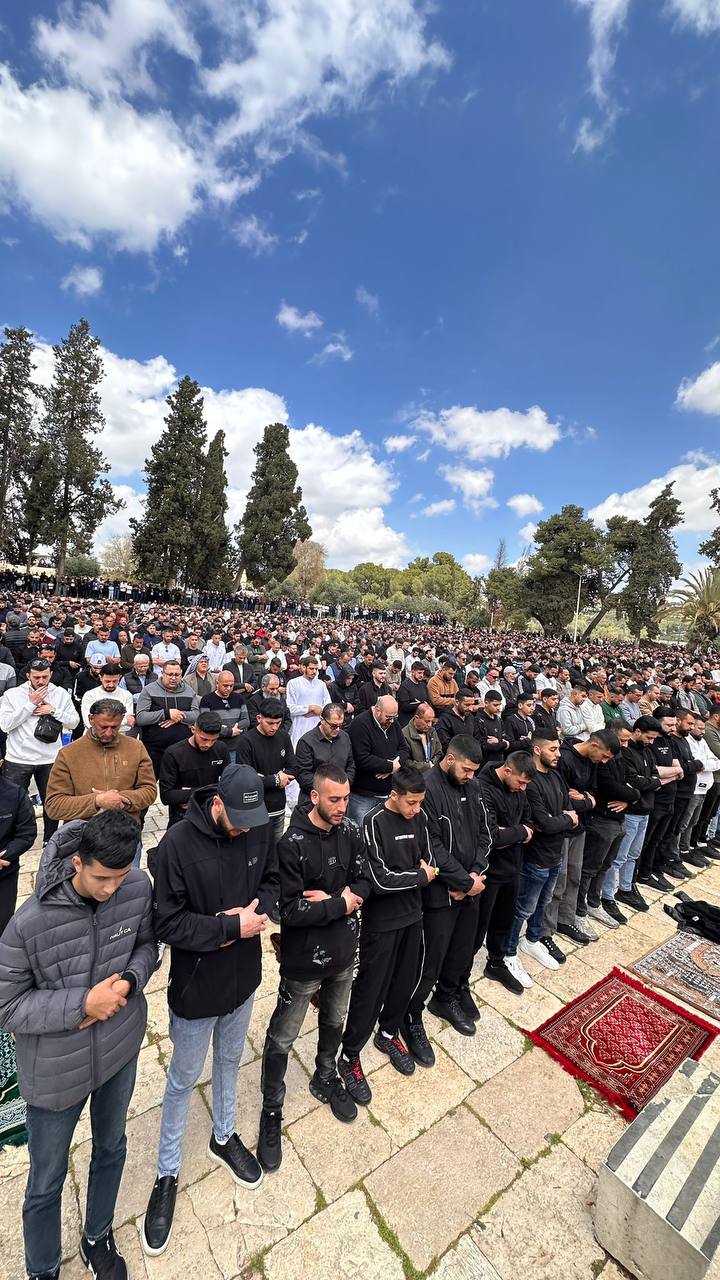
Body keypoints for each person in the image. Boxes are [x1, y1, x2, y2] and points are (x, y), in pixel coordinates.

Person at [0, 810, 156, 1280]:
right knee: (46, 1181)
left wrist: (130, 981)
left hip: (119, 1051)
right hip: (54, 1072)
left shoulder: (137, 888)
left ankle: (97, 1236)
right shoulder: (28, 924)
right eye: (101, 878)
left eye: (120, 877)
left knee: (111, 1148)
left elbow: (147, 946)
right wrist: (81, 1004)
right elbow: (7, 1007)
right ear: (76, 863)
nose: (111, 889)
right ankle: (42, 1267)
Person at [142, 766, 279, 1257]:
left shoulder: (258, 826)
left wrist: (260, 909)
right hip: (197, 986)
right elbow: (167, 923)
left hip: (243, 978)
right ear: (217, 804)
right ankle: (167, 1171)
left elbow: (272, 879)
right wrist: (228, 927)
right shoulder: (176, 845)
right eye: (237, 821)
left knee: (229, 1061)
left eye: (250, 824)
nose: (244, 831)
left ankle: (223, 1135)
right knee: (182, 1079)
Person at [258, 765, 368, 1169]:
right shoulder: (292, 844)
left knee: (334, 1019)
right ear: (315, 797)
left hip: (344, 951)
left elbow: (365, 881)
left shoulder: (350, 832)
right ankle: (272, 1107)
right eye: (334, 799)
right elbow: (289, 910)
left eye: (346, 798)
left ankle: (325, 1076)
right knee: (283, 1035)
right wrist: (341, 903)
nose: (342, 806)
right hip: (304, 960)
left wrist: (335, 900)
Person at [339, 765, 436, 1098]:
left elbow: (430, 860)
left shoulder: (420, 818)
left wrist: (416, 874)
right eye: (411, 802)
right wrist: (419, 876)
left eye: (420, 802)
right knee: (371, 988)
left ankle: (389, 1034)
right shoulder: (373, 821)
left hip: (413, 915)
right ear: (394, 795)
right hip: (381, 922)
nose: (417, 809)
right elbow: (380, 880)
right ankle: (350, 1054)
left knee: (405, 981)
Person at [404, 735, 490, 1042]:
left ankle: (447, 997)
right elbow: (431, 847)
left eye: (474, 771)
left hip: (470, 888)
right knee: (430, 960)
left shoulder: (474, 787)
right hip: (440, 894)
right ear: (450, 759)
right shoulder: (427, 788)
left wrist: (474, 876)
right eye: (466, 770)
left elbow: (485, 834)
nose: (470, 776)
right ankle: (410, 1014)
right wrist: (464, 882)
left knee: (462, 950)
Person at [503, 730, 581, 989]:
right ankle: (508, 952)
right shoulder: (530, 781)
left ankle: (532, 940)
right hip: (535, 857)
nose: (558, 754)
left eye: (558, 749)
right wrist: (565, 819)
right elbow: (544, 823)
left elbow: (567, 809)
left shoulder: (556, 775)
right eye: (553, 749)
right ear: (537, 750)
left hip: (555, 853)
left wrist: (563, 818)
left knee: (544, 902)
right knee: (523, 907)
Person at [45, 697, 157, 849]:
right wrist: (97, 801)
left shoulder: (136, 747)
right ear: (91, 719)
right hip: (83, 840)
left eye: (115, 727)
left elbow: (150, 791)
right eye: (103, 727)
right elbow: (54, 806)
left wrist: (121, 799)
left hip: (126, 836)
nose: (109, 733)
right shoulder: (68, 754)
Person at [545, 730, 616, 946]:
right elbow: (562, 799)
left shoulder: (592, 762)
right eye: (604, 755)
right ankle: (545, 929)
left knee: (574, 876)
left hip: (581, 826)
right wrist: (586, 800)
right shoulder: (564, 758)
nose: (604, 761)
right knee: (558, 881)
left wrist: (585, 798)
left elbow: (594, 793)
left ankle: (566, 920)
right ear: (594, 745)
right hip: (563, 829)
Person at [472, 752, 535, 993]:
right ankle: (458, 976)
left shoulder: (519, 788)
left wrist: (512, 832)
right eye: (521, 782)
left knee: (504, 922)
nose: (523, 788)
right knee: (477, 928)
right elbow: (492, 836)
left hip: (513, 867)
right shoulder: (482, 787)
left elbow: (530, 821)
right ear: (507, 771)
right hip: (489, 870)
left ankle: (496, 963)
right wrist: (520, 832)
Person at [0, 657, 79, 846]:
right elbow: (5, 725)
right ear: (28, 676)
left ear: (51, 674)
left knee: (52, 802)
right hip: (18, 758)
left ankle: (49, 841)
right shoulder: (13, 694)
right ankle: (11, 841)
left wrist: (52, 710)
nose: (41, 681)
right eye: (36, 677)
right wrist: (30, 705)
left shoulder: (60, 694)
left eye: (45, 677)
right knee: (11, 803)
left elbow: (74, 722)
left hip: (50, 758)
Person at [636, 709, 685, 891]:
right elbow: (654, 772)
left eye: (674, 724)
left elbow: (678, 769)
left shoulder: (668, 740)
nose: (673, 728)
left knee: (659, 839)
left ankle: (651, 870)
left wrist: (671, 772)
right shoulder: (650, 742)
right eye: (669, 725)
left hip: (670, 798)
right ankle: (640, 874)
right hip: (655, 800)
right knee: (645, 841)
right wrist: (673, 772)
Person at [235, 697, 296, 842]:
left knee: (276, 850)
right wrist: (276, 779)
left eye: (278, 723)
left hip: (279, 807)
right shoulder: (246, 741)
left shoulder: (283, 737)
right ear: (259, 718)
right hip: (255, 809)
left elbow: (294, 768)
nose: (274, 727)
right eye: (270, 723)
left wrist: (264, 779)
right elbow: (246, 779)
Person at [158, 712, 230, 826]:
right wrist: (209, 792)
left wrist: (193, 795)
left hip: (212, 813)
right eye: (204, 739)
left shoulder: (221, 749)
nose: (208, 744)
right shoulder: (174, 753)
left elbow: (228, 784)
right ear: (193, 730)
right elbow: (166, 796)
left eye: (213, 740)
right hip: (183, 817)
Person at [347, 696, 408, 825]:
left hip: (388, 793)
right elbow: (362, 758)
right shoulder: (360, 724)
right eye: (389, 717)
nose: (392, 721)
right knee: (361, 832)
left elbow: (404, 749)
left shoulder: (394, 724)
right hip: (363, 796)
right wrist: (389, 766)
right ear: (377, 710)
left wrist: (392, 767)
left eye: (395, 717)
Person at [135, 660, 200, 778]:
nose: (173, 678)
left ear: (181, 674)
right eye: (170, 674)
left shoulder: (189, 691)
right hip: (154, 750)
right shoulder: (149, 690)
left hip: (182, 750)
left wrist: (178, 716)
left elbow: (196, 714)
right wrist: (166, 713)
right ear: (162, 673)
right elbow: (140, 717)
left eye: (177, 675)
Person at [0, 750, 37, 933]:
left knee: (4, 925)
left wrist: (7, 855)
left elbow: (27, 834)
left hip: (4, 871)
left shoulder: (16, 794)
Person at [295, 703, 354, 799]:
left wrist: (346, 783)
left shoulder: (345, 737)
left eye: (340, 725)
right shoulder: (306, 742)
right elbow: (303, 775)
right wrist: (329, 789)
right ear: (322, 719)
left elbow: (350, 764)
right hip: (313, 799)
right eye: (333, 726)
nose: (337, 729)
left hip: (340, 796)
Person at [286, 654, 331, 752]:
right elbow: (290, 708)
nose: (314, 671)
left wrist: (319, 711)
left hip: (318, 726)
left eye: (316, 669)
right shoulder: (293, 683)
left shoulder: (321, 684)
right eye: (311, 668)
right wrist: (309, 708)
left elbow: (328, 706)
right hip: (299, 726)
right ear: (303, 667)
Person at [80, 662, 134, 734]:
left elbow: (128, 726)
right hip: (94, 738)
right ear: (100, 677)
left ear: (120, 678)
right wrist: (125, 721)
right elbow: (89, 723)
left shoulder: (127, 695)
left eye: (115, 681)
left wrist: (101, 722)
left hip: (118, 738)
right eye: (107, 681)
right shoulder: (90, 695)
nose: (111, 685)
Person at [200, 670, 250, 744]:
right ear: (217, 683)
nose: (229, 688)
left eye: (231, 685)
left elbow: (246, 721)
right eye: (225, 685)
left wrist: (232, 728)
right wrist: (230, 732)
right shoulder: (207, 700)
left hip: (238, 743)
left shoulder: (239, 698)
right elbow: (207, 724)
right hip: (216, 744)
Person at [436, 687, 476, 756]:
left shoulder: (470, 717)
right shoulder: (445, 719)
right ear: (457, 702)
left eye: (472, 704)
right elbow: (445, 744)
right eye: (467, 705)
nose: (471, 709)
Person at [402, 702, 442, 772]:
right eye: (427, 721)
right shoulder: (404, 734)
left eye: (432, 721)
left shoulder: (432, 731)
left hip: (433, 773)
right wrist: (427, 766)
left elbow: (439, 753)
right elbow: (406, 762)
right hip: (415, 775)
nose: (430, 725)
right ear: (417, 718)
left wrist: (432, 764)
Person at [473, 690, 507, 765]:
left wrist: (499, 743)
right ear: (486, 703)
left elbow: (506, 740)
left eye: (499, 705)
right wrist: (502, 744)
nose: (498, 708)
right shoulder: (478, 720)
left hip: (499, 761)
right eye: (495, 705)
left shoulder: (498, 719)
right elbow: (481, 745)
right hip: (485, 764)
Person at [396, 661, 429, 728]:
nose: (422, 675)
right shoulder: (404, 686)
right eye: (419, 673)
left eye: (423, 673)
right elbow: (404, 706)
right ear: (413, 672)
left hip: (421, 721)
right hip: (407, 723)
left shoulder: (423, 685)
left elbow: (427, 701)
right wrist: (420, 704)